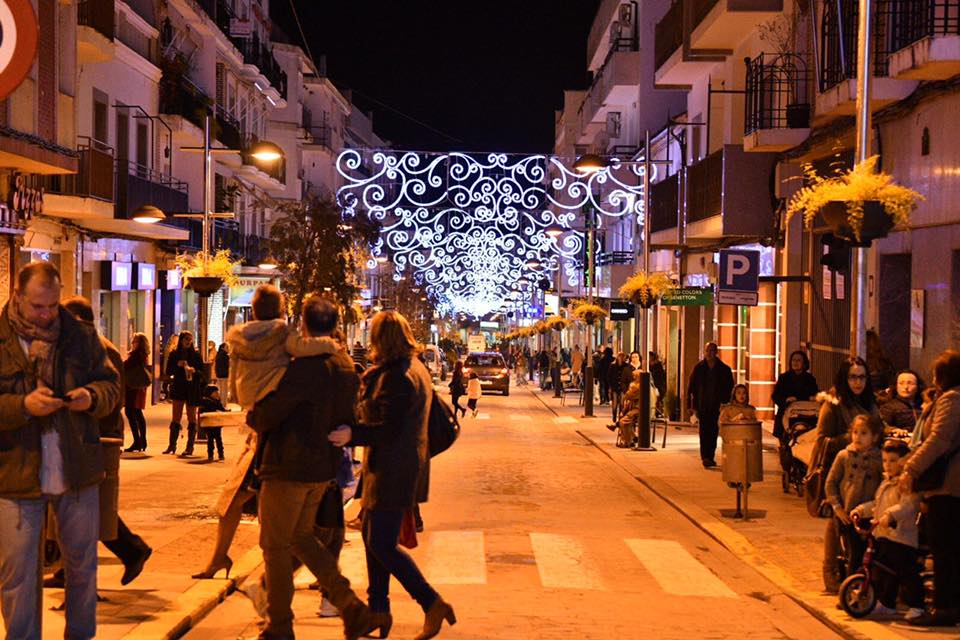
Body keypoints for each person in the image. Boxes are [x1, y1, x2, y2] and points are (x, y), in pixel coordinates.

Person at [0, 263, 121, 639]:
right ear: (17, 296)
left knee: (83, 569)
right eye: (38, 306)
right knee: (18, 574)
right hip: (15, 471)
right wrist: (22, 406)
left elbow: (111, 387)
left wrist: (92, 397)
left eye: (52, 306)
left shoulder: (80, 335)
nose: (47, 314)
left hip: (76, 467)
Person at [246, 296, 378, 640]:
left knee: (275, 547)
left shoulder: (305, 367)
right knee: (303, 538)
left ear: (303, 324)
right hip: (323, 469)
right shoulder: (345, 364)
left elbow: (272, 412)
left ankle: (279, 626)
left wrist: (254, 415)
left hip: (289, 466)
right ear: (335, 325)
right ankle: (349, 604)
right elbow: (350, 417)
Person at [329, 311, 456, 640]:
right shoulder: (412, 368)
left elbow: (388, 427)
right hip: (392, 466)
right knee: (373, 540)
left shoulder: (398, 376)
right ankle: (378, 611)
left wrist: (351, 435)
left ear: (380, 339)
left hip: (394, 469)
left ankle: (431, 602)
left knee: (383, 545)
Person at [53, 297, 152, 590]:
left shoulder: (99, 350)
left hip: (96, 441)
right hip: (81, 439)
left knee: (90, 507)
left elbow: (110, 399)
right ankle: (70, 570)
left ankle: (130, 551)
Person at [900, 350, 960, 626]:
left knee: (943, 547)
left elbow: (938, 440)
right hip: (949, 485)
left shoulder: (952, 400)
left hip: (948, 485)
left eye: (936, 375)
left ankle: (945, 607)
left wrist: (911, 469)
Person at [815, 356, 878, 592]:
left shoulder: (870, 403)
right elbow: (821, 440)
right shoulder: (834, 404)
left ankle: (858, 571)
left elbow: (878, 428)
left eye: (862, 376)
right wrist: (852, 437)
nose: (858, 382)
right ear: (845, 378)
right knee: (836, 521)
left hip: (867, 471)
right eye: (853, 377)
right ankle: (830, 570)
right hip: (840, 471)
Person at [226, 284, 339, 413]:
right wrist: (329, 344)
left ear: (255, 310)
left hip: (246, 396)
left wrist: (235, 395)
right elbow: (301, 347)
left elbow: (233, 368)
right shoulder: (280, 333)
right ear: (280, 309)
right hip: (271, 393)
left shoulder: (239, 338)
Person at [850, 438, 924, 621]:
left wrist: (890, 515)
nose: (888, 465)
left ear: (902, 461)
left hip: (902, 536)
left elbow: (908, 506)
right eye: (885, 460)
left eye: (892, 461)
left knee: (906, 571)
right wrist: (861, 510)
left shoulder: (905, 484)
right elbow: (877, 504)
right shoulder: (885, 483)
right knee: (884, 571)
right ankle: (886, 603)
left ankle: (917, 604)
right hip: (884, 535)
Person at [825, 414, 884, 579]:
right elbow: (830, 483)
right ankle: (852, 589)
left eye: (864, 433)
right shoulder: (844, 456)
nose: (858, 437)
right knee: (854, 553)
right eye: (855, 432)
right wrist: (837, 507)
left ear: (875, 437)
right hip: (848, 515)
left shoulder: (879, 458)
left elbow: (883, 485)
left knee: (869, 553)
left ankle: (865, 587)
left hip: (870, 514)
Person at [687, 342, 735, 469]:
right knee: (704, 431)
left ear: (716, 352)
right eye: (707, 351)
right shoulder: (699, 368)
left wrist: (726, 403)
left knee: (713, 431)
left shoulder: (724, 369)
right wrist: (690, 406)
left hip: (717, 405)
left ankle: (710, 456)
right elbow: (691, 387)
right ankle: (705, 457)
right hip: (703, 404)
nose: (709, 354)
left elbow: (730, 388)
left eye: (712, 351)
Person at [164, 330, 205, 456]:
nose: (188, 341)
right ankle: (172, 445)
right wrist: (178, 365)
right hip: (179, 387)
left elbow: (202, 373)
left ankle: (190, 447)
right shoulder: (174, 354)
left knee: (192, 417)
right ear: (181, 340)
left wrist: (194, 371)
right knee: (176, 417)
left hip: (192, 388)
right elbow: (168, 371)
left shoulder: (196, 355)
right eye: (186, 339)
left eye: (190, 339)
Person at [771, 350, 819, 441]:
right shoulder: (784, 378)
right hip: (787, 412)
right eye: (793, 360)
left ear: (804, 363)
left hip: (805, 413)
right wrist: (786, 400)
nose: (795, 363)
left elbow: (813, 394)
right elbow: (775, 396)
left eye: (798, 360)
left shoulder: (810, 379)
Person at [123, 332, 152, 452]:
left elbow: (125, 366)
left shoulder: (136, 355)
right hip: (138, 387)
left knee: (130, 412)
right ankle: (142, 441)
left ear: (139, 343)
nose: (132, 343)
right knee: (137, 413)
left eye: (134, 341)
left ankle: (138, 441)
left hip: (132, 387)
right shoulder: (143, 355)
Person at [199, 384, 227, 462]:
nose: (217, 394)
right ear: (210, 393)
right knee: (210, 439)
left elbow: (222, 409)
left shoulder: (216, 401)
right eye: (215, 392)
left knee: (218, 439)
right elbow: (208, 410)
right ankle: (210, 454)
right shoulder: (206, 401)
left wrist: (226, 412)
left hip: (217, 424)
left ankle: (221, 454)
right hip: (210, 425)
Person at [606, 353, 627, 424]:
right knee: (614, 404)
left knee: (622, 403)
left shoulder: (626, 366)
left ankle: (620, 417)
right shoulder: (613, 366)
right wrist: (610, 386)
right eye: (620, 357)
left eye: (622, 357)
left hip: (622, 387)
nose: (621, 358)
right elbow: (609, 376)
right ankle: (614, 415)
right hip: (614, 387)